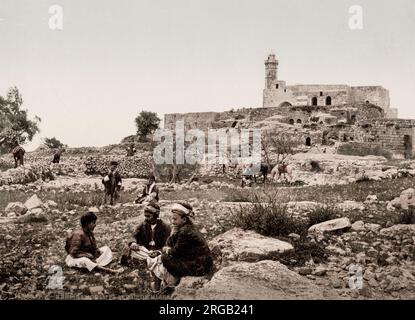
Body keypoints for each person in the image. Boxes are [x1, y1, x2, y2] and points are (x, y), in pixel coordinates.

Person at [147, 202, 213, 291]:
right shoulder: (185, 228)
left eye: (175, 219)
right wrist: (172, 235)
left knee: (163, 258)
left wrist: (166, 250)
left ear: (184, 219)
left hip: (199, 267)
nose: (173, 222)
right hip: (199, 263)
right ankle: (162, 285)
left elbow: (176, 252)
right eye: (172, 219)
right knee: (161, 256)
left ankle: (166, 285)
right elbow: (171, 244)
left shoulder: (185, 232)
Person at [120, 201, 171, 291]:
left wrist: (158, 252)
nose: (146, 218)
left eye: (149, 216)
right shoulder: (143, 224)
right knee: (129, 248)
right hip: (145, 251)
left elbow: (168, 244)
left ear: (156, 215)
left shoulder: (165, 227)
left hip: (158, 252)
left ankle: (158, 283)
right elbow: (133, 236)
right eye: (145, 216)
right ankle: (147, 261)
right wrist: (133, 243)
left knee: (161, 258)